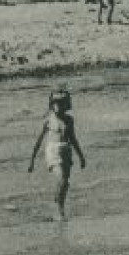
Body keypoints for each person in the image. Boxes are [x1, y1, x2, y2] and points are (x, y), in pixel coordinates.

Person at [27, 87, 87, 221]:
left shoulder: (69, 120)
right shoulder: (48, 120)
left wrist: (81, 156)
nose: (58, 106)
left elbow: (73, 138)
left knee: (65, 183)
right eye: (56, 103)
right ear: (51, 105)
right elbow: (38, 141)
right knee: (61, 180)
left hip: (66, 151)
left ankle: (60, 206)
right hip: (53, 151)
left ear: (66, 105)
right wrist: (32, 160)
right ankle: (58, 208)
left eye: (61, 103)